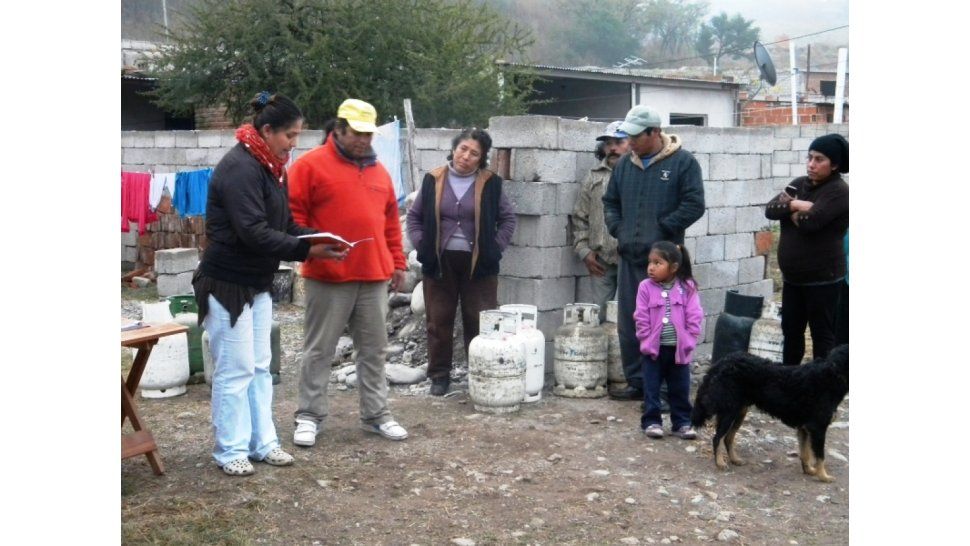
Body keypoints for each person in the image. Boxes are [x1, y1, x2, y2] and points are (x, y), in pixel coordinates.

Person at [192, 91, 345, 476]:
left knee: (261, 366)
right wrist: (306, 251)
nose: (295, 144)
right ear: (266, 131)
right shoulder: (240, 168)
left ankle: (263, 443)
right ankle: (230, 450)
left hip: (257, 282)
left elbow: (284, 226)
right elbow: (253, 233)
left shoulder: (271, 168)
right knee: (236, 369)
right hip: (227, 282)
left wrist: (318, 238)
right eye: (290, 136)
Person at [288, 98, 409, 446]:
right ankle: (309, 416)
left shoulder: (379, 172)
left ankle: (376, 414)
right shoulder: (309, 166)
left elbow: (389, 223)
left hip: (372, 276)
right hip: (328, 276)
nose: (364, 140)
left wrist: (397, 262)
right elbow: (292, 218)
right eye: (357, 133)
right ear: (338, 129)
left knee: (373, 350)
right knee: (319, 350)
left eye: (369, 134)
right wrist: (310, 249)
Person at [602, 105, 705, 402]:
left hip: (665, 266)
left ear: (655, 133)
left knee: (667, 324)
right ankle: (638, 383)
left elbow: (694, 204)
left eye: (636, 136)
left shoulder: (683, 163)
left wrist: (663, 230)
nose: (630, 142)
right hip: (630, 257)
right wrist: (618, 229)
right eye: (628, 136)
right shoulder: (624, 165)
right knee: (631, 322)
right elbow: (610, 202)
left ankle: (663, 389)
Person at [406, 128, 517, 396]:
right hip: (440, 263)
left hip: (479, 264)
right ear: (454, 148)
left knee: (478, 320)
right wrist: (423, 246)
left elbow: (508, 220)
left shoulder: (491, 183)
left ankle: (478, 372)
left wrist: (494, 249)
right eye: (463, 149)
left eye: (474, 153)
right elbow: (414, 217)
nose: (466, 156)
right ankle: (439, 376)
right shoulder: (433, 179)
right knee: (438, 320)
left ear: (481, 159)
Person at [765, 134, 849, 365]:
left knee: (822, 337)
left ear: (834, 164)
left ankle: (821, 391)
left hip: (823, 280)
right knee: (791, 332)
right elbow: (770, 210)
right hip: (793, 280)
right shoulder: (798, 184)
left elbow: (811, 222)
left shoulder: (839, 191)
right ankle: (789, 381)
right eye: (810, 158)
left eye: (819, 159)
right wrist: (796, 204)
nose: (811, 164)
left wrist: (789, 209)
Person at [634, 241, 704, 439]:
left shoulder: (687, 287)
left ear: (674, 267)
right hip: (653, 350)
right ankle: (652, 421)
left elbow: (695, 315)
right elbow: (641, 315)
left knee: (680, 388)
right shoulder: (645, 287)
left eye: (658, 263)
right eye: (650, 262)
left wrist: (690, 339)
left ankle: (682, 422)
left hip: (678, 351)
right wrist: (645, 338)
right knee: (651, 388)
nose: (651, 267)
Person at [571, 121, 629, 322]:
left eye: (619, 142)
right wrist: (584, 252)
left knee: (630, 316)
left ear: (632, 143)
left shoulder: (640, 174)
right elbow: (579, 217)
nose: (613, 147)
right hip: (601, 262)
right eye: (608, 143)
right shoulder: (594, 176)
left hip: (632, 260)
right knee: (600, 317)